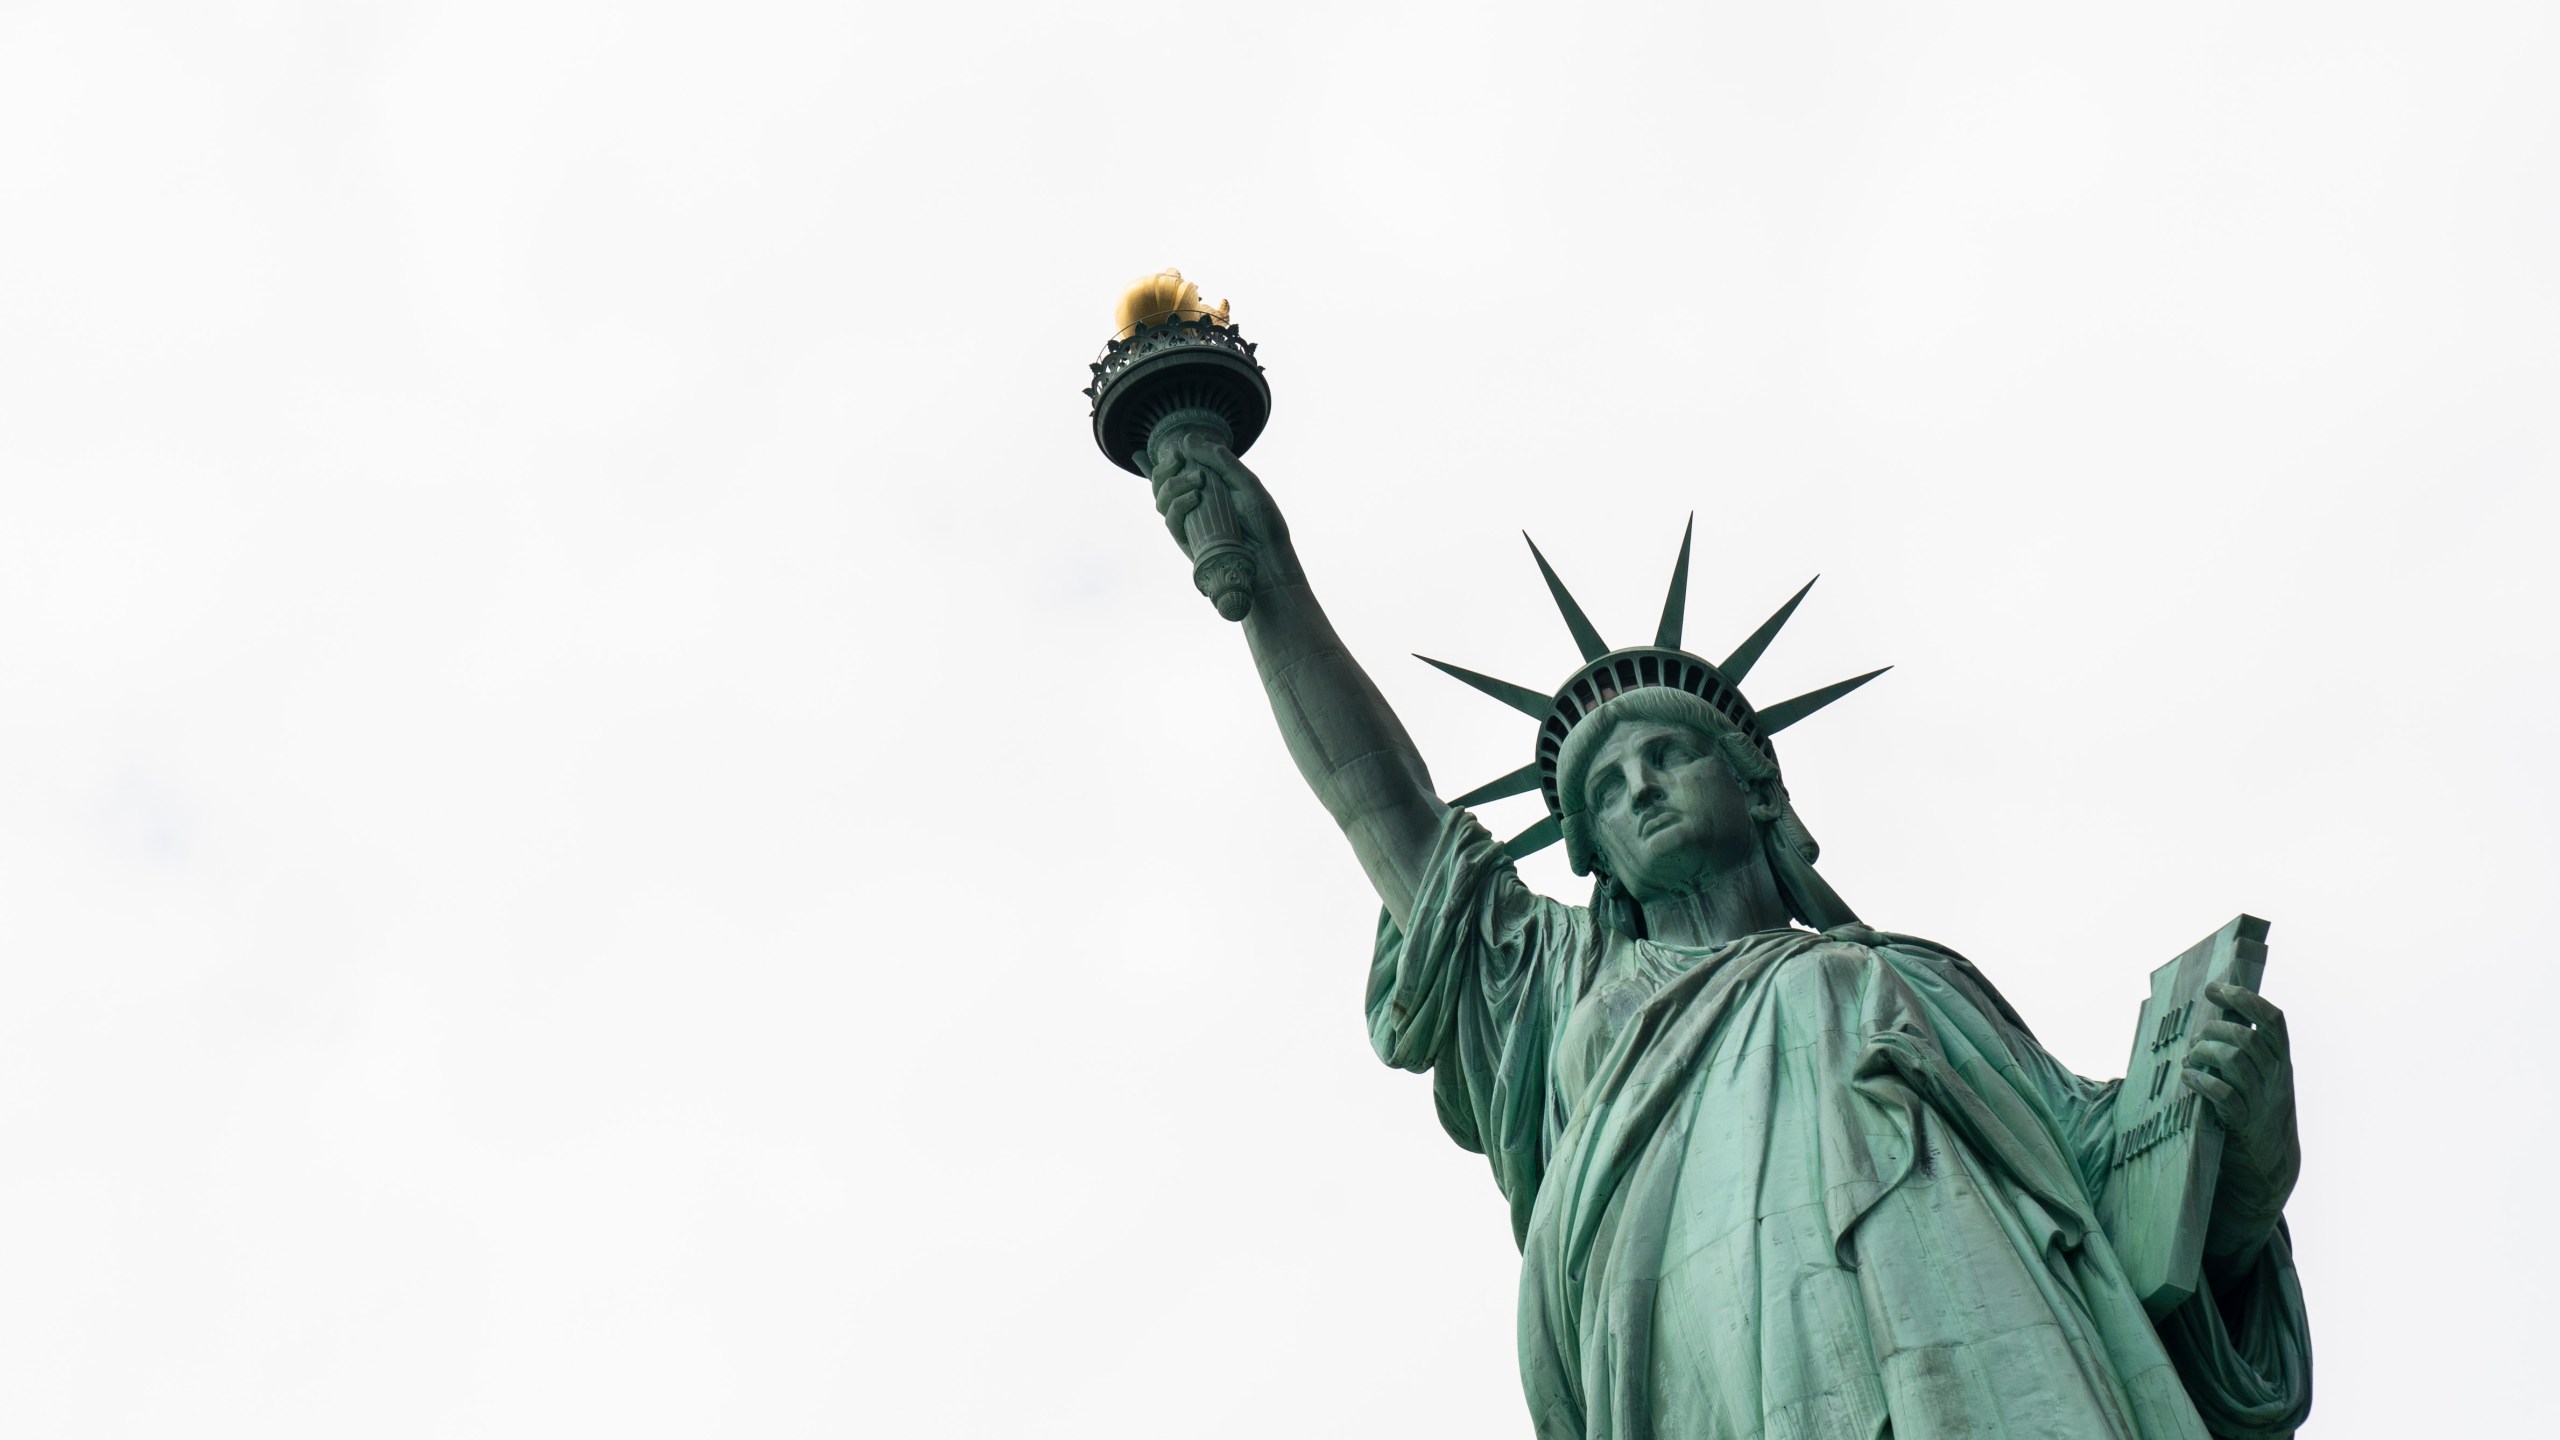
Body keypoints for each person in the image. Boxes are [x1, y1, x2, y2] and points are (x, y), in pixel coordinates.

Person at [1145, 421, 2311, 1440]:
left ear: (1755, 786)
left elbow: (2119, 1206)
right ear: (1592, 854)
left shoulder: (1909, 982)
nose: (1639, 787)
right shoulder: (1564, 983)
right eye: (1605, 791)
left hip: (1984, 1347)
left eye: (1667, 755)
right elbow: (1380, 806)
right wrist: (1273, 584)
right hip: (1700, 1371)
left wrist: (2247, 1155)